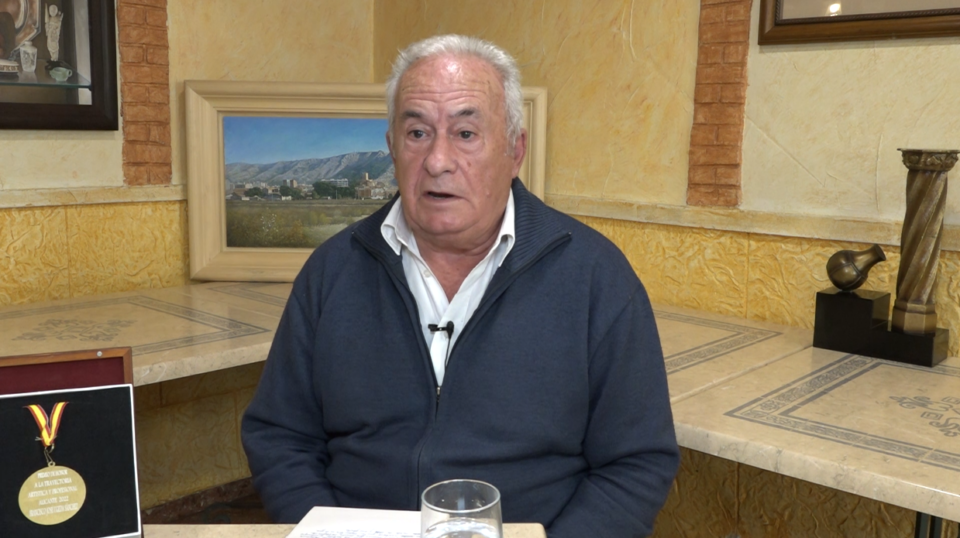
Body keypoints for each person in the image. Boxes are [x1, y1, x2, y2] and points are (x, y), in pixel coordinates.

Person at [241, 34, 679, 538]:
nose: (437, 160)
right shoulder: (332, 270)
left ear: (515, 150)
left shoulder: (595, 275)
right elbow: (280, 438)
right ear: (392, 148)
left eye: (466, 133)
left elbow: (636, 462)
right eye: (417, 133)